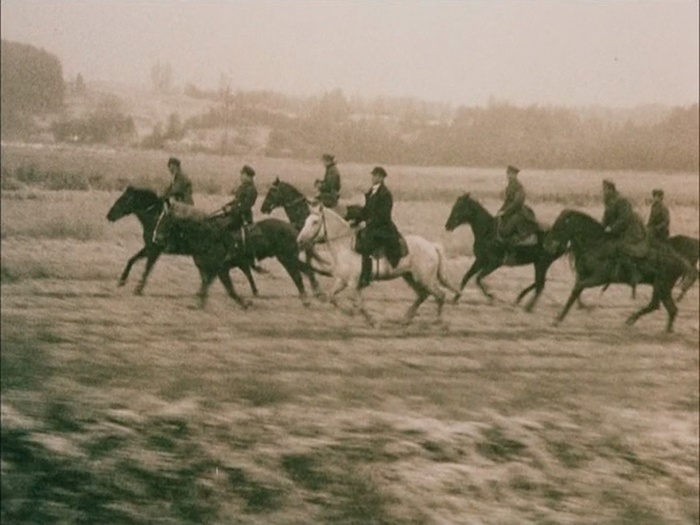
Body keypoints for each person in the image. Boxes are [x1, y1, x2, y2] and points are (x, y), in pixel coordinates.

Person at [355, 166, 402, 288]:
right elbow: (367, 210)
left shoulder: (385, 194)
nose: (373, 178)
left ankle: (366, 276)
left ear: (381, 178)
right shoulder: (372, 191)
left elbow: (383, 216)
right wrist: (356, 220)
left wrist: (367, 224)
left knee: (367, 245)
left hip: (383, 228)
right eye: (373, 175)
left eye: (375, 176)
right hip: (373, 225)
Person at [601, 179, 648, 285]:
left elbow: (624, 219)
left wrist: (612, 229)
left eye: (605, 189)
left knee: (622, 247)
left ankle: (634, 274)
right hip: (620, 230)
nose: (603, 192)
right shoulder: (609, 202)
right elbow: (606, 218)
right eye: (603, 189)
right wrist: (601, 229)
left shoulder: (621, 200)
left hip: (631, 230)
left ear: (611, 189)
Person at [496, 165, 538, 249]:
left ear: (515, 175)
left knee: (507, 229)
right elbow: (507, 201)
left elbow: (517, 203)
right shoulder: (509, 186)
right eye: (508, 173)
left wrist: (505, 212)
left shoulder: (519, 187)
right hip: (510, 211)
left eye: (511, 174)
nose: (508, 176)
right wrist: (500, 211)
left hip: (518, 212)